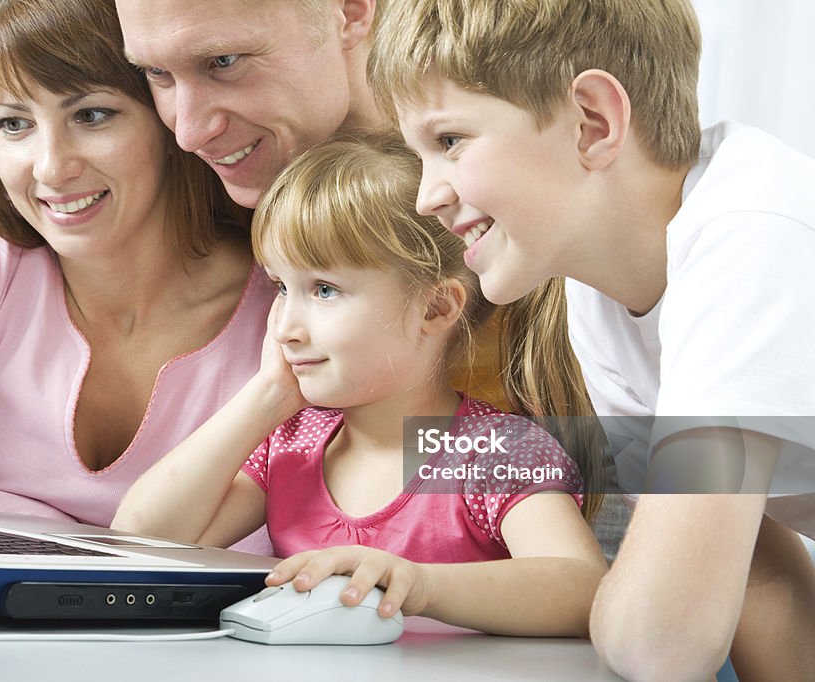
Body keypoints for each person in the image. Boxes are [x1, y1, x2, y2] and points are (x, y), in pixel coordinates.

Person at [369, 0, 815, 678]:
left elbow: (659, 639)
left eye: (450, 140)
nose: (427, 195)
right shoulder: (599, 288)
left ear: (593, 123)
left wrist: (624, 608)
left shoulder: (755, 239)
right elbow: (757, 574)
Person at [112, 0, 630, 560]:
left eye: (224, 60)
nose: (187, 133)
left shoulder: (507, 434)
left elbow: (584, 582)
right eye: (155, 73)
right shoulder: (303, 441)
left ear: (352, 12)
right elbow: (139, 538)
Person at [112, 134, 608, 636]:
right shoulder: (294, 447)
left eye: (324, 290)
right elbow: (138, 540)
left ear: (435, 309)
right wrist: (266, 396)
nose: (285, 327)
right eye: (283, 287)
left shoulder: (494, 451)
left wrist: (421, 586)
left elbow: (582, 588)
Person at [0, 0, 273, 553]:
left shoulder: (289, 301)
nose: (50, 167)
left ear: (169, 120)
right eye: (13, 123)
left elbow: (387, 499)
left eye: (91, 115)